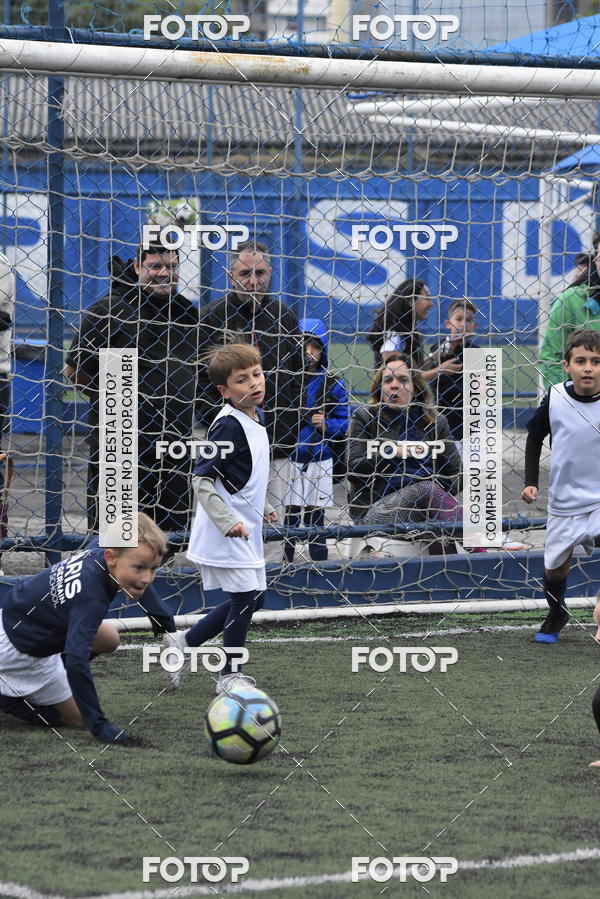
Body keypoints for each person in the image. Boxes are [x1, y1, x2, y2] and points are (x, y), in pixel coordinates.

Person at [65, 241, 203, 535]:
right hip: (121, 445)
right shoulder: (110, 309)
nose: (165, 273)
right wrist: (114, 397)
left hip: (174, 444)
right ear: (138, 267)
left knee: (170, 539)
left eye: (172, 266)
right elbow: (74, 370)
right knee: (117, 538)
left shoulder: (186, 313)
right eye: (155, 266)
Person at [0, 513, 170, 742]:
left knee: (109, 637)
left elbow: (138, 570)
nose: (148, 578)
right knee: (78, 718)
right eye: (139, 568)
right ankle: (7, 696)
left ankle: (51, 678)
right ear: (111, 558)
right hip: (18, 651)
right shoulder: (91, 599)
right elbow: (76, 659)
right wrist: (100, 726)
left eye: (154, 569)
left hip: (20, 620)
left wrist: (161, 616)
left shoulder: (101, 550)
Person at [177, 344, 277, 694]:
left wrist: (263, 507)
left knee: (255, 598)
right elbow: (202, 479)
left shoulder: (257, 416)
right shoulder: (227, 427)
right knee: (246, 596)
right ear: (224, 391)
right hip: (227, 530)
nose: (254, 383)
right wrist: (225, 521)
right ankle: (229, 676)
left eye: (257, 374)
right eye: (241, 380)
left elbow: (245, 475)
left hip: (247, 527)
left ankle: (185, 643)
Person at [197, 241, 303, 565]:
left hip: (277, 443)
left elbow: (297, 376)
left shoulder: (283, 316)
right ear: (231, 276)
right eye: (245, 273)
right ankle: (231, 582)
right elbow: (198, 381)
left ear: (270, 273)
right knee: (231, 515)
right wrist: (219, 424)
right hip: (230, 441)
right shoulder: (212, 317)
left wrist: (287, 428)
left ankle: (270, 588)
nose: (253, 280)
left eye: (260, 273)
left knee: (274, 522)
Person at [347, 353, 480, 554]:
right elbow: (352, 467)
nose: (394, 385)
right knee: (426, 490)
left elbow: (458, 474)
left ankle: (448, 579)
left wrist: (436, 493)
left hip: (425, 509)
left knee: (436, 520)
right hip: (377, 509)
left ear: (415, 387)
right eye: (388, 380)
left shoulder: (435, 422)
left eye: (402, 380)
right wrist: (392, 452)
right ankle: (481, 553)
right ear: (380, 387)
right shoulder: (365, 417)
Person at [522, 328, 600, 643]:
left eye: (596, 361)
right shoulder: (555, 398)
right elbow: (534, 436)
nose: (588, 367)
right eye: (580, 360)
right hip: (565, 502)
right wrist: (530, 483)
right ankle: (557, 612)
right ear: (566, 365)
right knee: (555, 568)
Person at [282, 318, 350, 564]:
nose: (310, 353)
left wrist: (326, 425)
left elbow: (345, 422)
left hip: (320, 458)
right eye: (304, 346)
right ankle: (283, 561)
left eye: (316, 347)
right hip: (288, 458)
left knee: (315, 516)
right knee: (287, 515)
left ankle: (319, 565)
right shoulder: (283, 380)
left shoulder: (333, 383)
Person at [366, 278, 464, 386]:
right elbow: (399, 377)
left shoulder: (408, 330)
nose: (431, 304)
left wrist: (436, 356)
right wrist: (441, 370)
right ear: (410, 300)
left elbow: (414, 370)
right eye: (427, 298)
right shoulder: (394, 334)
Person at [539, 234, 600, 388]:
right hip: (581, 402)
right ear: (595, 260)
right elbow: (550, 357)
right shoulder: (570, 299)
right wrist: (567, 400)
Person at [425, 298, 479, 441]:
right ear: (448, 324)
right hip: (441, 409)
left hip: (467, 414)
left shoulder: (476, 352)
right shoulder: (438, 349)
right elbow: (426, 374)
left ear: (474, 326)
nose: (463, 324)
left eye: (468, 320)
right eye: (459, 319)